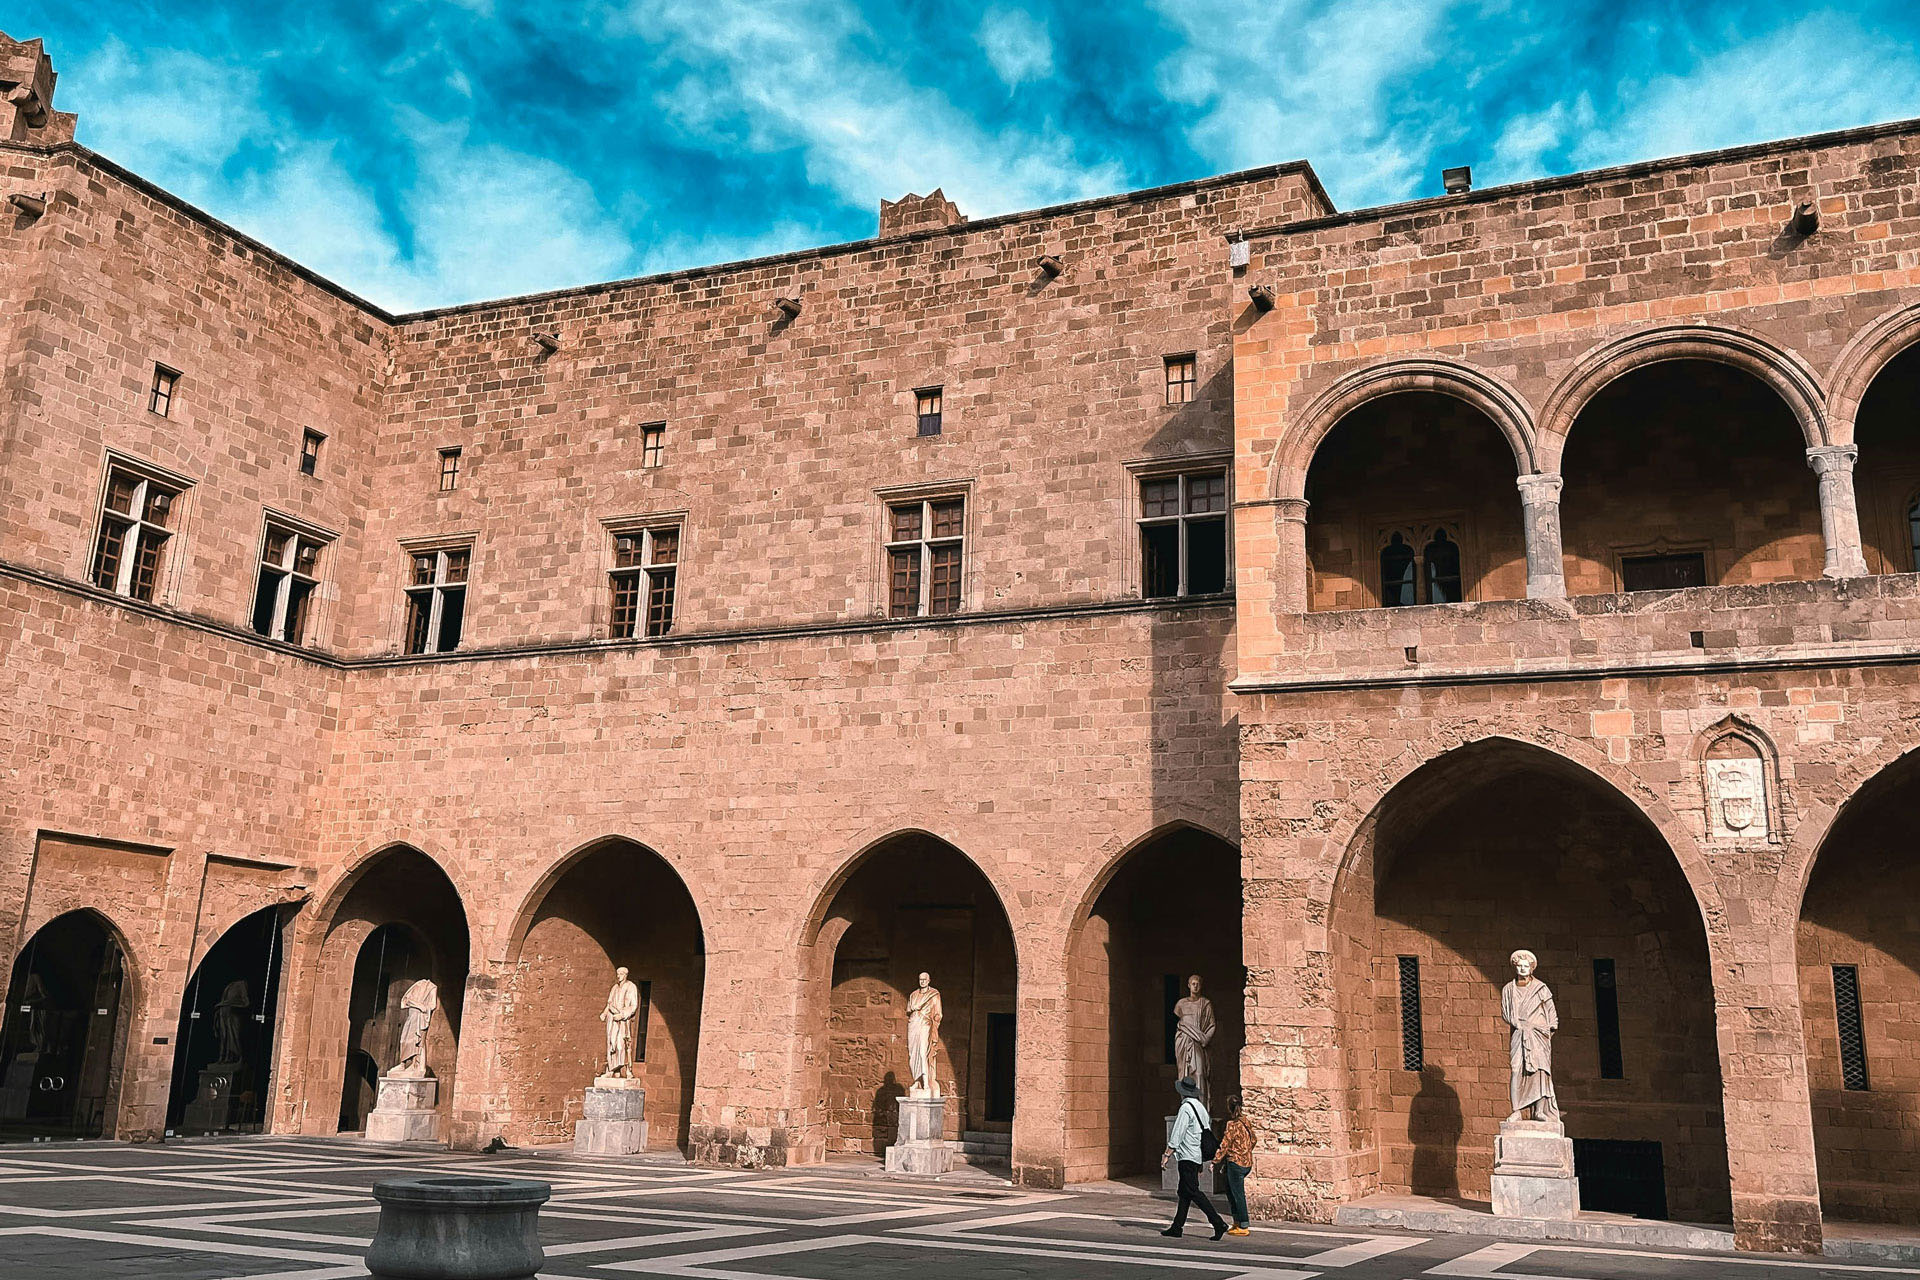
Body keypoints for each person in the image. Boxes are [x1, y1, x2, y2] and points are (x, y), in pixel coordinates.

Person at [1160, 1076, 1227, 1241]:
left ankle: (1218, 1223)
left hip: (1187, 1157)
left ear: (1182, 1092)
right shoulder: (1200, 1108)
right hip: (1196, 1155)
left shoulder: (1185, 1108)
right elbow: (1203, 1134)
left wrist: (1167, 1154)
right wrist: (1200, 1163)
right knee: (1184, 1193)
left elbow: (1178, 1133)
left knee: (1193, 1192)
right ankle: (1177, 1227)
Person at [1212, 1094, 1256, 1236]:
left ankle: (1243, 1225)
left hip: (1235, 1163)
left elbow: (1225, 1144)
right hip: (1246, 1162)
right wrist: (1246, 1151)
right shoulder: (1246, 1121)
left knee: (1237, 1195)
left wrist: (1215, 1161)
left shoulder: (1232, 1125)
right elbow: (1254, 1139)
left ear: (1229, 1108)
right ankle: (1237, 1222)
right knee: (1231, 1192)